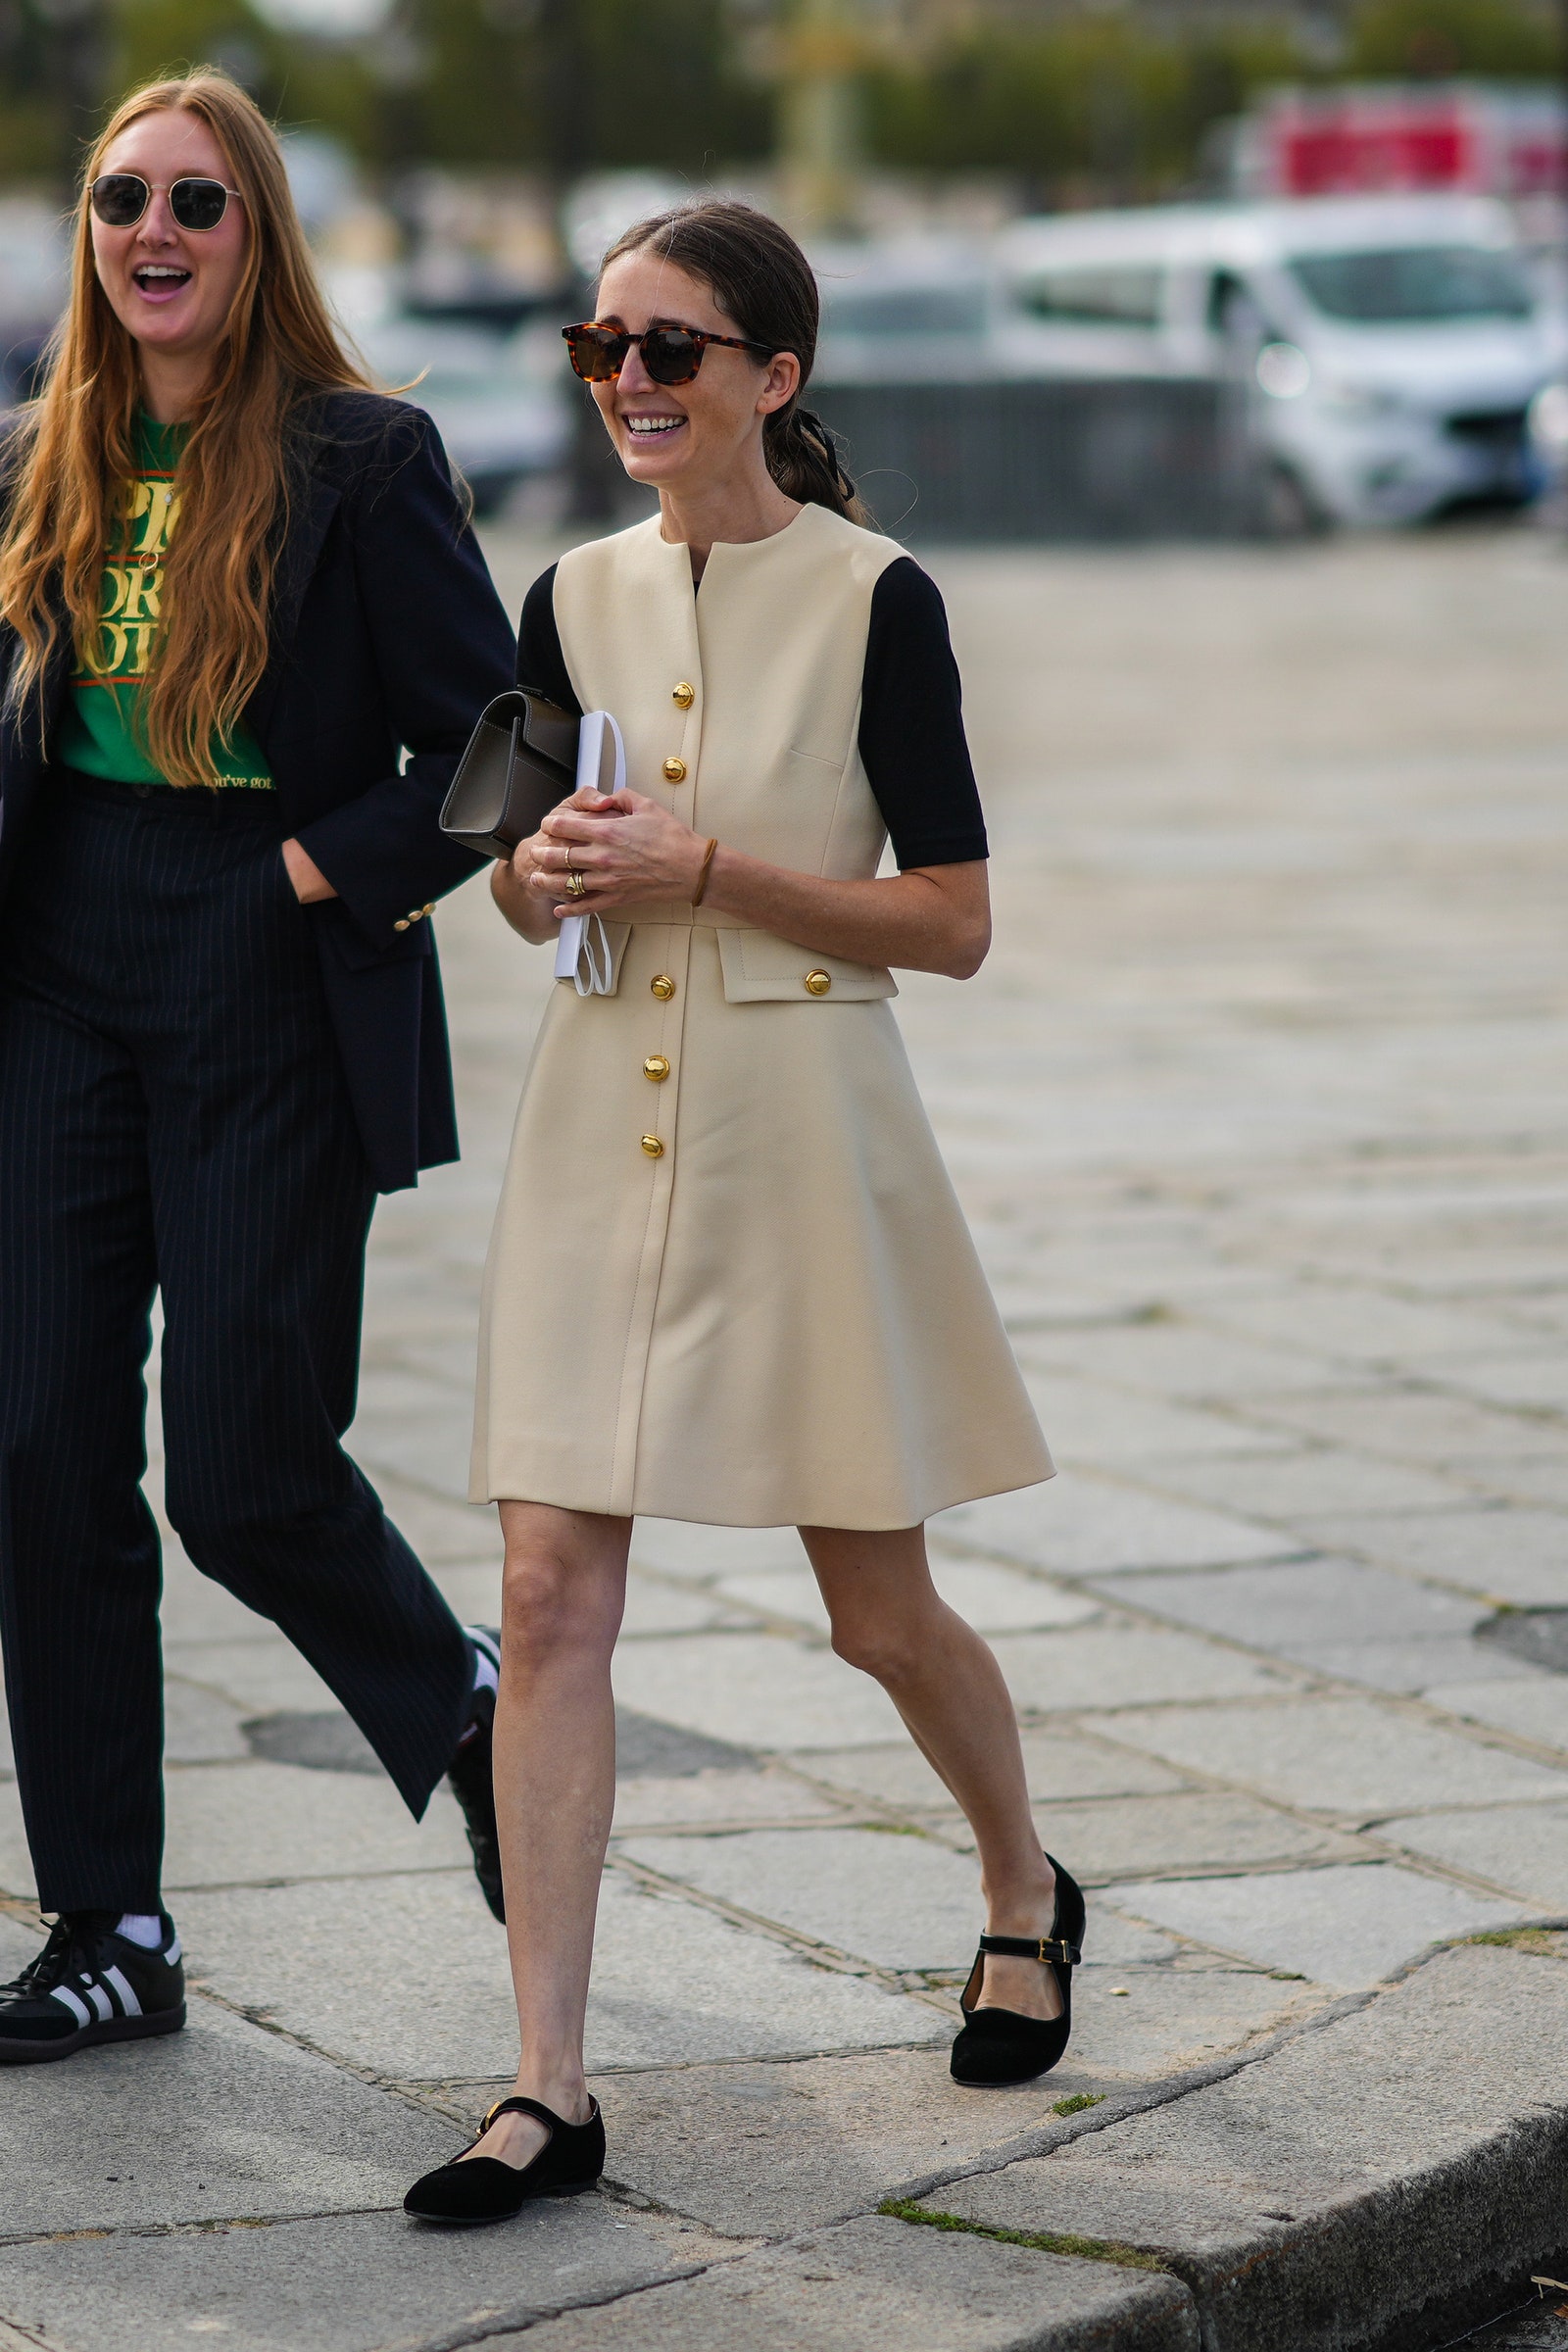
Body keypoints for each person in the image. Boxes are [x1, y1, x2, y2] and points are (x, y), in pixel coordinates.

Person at [404, 199, 1081, 2229]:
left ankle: (1022, 1884)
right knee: (542, 1600)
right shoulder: (563, 593)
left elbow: (950, 924)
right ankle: (545, 2084)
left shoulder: (882, 599)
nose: (627, 376)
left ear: (772, 380)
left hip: (797, 1127)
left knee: (872, 1604)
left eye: (669, 347)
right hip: (595, 1116)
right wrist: (557, 876)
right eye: (600, 341)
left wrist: (709, 873)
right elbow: (506, 867)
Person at [0, 70, 515, 2063]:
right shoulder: (36, 451)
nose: (155, 231)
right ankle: (112, 1927)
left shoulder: (360, 456)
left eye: (196, 203)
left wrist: (323, 860)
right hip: (57, 971)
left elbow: (506, 739)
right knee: (36, 1448)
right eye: (124, 197)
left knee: (241, 1473)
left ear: (257, 232)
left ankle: (457, 1699)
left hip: (263, 959)